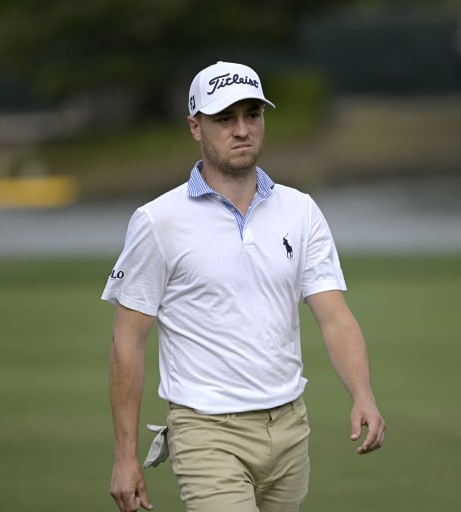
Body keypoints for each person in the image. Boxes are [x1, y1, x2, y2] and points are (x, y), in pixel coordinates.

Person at [101, 60, 386, 512]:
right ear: (195, 127)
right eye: (224, 118)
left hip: (290, 427)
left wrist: (363, 394)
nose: (241, 130)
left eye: (252, 115)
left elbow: (334, 317)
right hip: (206, 431)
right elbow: (127, 342)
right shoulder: (158, 221)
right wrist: (125, 456)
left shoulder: (300, 210)